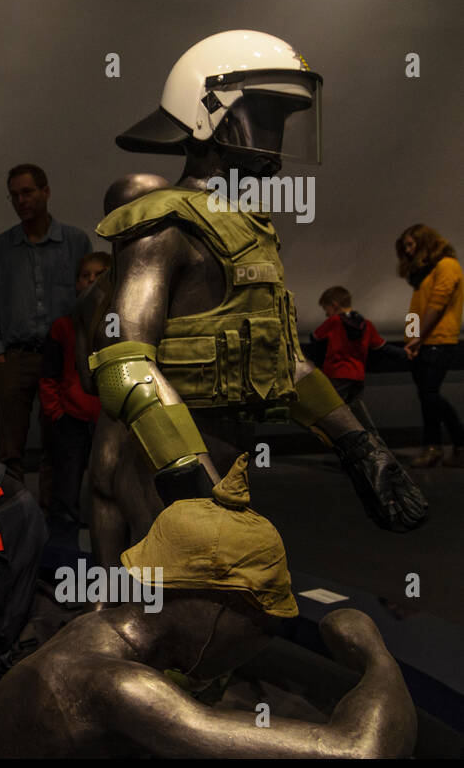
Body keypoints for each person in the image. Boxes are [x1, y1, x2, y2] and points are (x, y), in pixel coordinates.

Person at [85, 30, 426, 572]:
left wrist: (359, 445)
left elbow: (283, 361)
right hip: (159, 473)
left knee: (217, 636)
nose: (275, 137)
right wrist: (188, 475)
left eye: (282, 121)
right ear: (208, 118)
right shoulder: (164, 222)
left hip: (226, 467)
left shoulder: (252, 232)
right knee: (167, 631)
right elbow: (125, 364)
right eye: (264, 117)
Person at [0, 455, 417, 759]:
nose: (259, 643)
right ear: (221, 605)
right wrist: (373, 653)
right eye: (262, 624)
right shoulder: (120, 686)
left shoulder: (97, 633)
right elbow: (360, 750)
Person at [0, 164, 92, 496]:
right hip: (15, 357)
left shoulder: (74, 242)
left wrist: (78, 352)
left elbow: (88, 300)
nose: (20, 200)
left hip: (60, 357)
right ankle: (13, 514)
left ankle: (50, 515)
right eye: (14, 195)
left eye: (27, 192)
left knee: (57, 442)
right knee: (9, 446)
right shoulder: (0, 248)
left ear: (45, 191)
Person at [40, 252, 110, 535]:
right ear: (76, 283)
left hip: (109, 417)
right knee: (66, 484)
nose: (92, 280)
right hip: (71, 417)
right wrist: (56, 413)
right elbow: (48, 376)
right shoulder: (63, 327)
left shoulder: (119, 325)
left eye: (100, 275)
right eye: (85, 275)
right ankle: (63, 540)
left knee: (108, 480)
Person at [396, 224, 464, 467]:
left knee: (429, 395)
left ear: (425, 242)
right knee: (428, 396)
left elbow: (438, 305)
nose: (408, 250)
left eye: (411, 244)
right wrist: (412, 339)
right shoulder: (423, 274)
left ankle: (440, 446)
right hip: (422, 341)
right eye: (405, 246)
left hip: (439, 342)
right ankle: (450, 445)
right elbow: (417, 309)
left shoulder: (446, 265)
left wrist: (419, 337)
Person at [311, 285, 400, 438]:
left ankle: (345, 452)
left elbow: (315, 337)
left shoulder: (334, 322)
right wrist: (406, 353)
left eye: (326, 309)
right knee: (357, 417)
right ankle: (372, 444)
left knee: (333, 416)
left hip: (337, 375)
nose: (326, 314)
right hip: (357, 377)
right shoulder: (367, 324)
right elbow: (382, 346)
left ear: (334, 305)